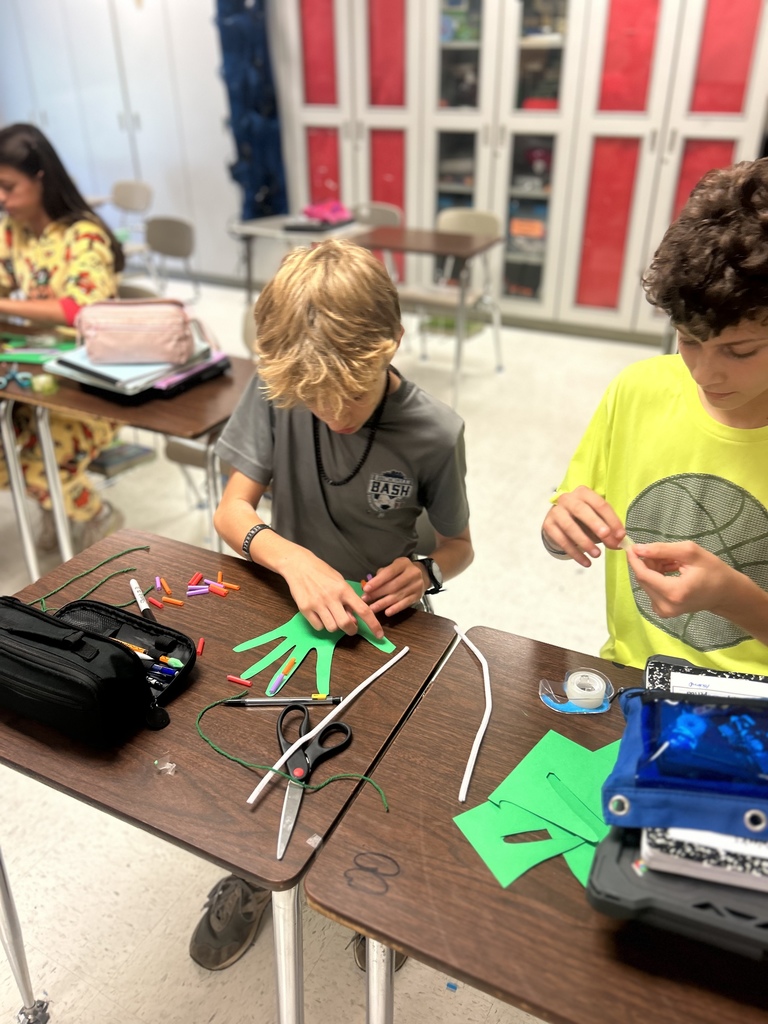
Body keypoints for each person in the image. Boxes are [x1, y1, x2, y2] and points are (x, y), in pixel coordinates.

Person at [187, 238, 474, 971]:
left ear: (392, 346)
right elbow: (231, 511)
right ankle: (255, 870)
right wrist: (291, 557)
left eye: (350, 392)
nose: (331, 411)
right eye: (314, 398)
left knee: (386, 770)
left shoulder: (435, 432)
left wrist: (423, 572)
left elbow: (457, 548)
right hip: (294, 606)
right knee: (267, 746)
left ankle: (379, 894)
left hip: (389, 623)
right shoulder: (283, 386)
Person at [541, 156, 768, 676]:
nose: (705, 374)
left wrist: (734, 599)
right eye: (689, 340)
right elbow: (565, 523)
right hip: (633, 677)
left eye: (739, 351)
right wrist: (560, 530)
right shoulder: (638, 389)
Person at [0, 123, 126, 551]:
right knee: (7, 458)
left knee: (37, 467)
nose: (1, 198)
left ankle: (97, 513)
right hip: (32, 376)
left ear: (40, 178)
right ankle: (54, 501)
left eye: (8, 186)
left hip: (89, 388)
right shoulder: (11, 233)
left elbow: (78, 308)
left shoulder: (83, 234)